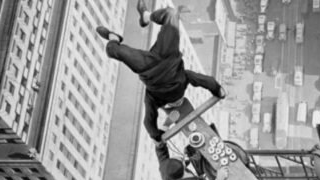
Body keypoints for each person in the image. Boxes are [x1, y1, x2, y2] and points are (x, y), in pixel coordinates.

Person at [96, 0, 225, 142]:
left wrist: (155, 134)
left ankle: (114, 37)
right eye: (178, 103)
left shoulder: (153, 98)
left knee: (113, 49)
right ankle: (146, 16)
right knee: (171, 13)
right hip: (168, 55)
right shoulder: (184, 78)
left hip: (147, 66)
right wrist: (217, 89)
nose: (176, 101)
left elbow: (149, 120)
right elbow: (204, 80)